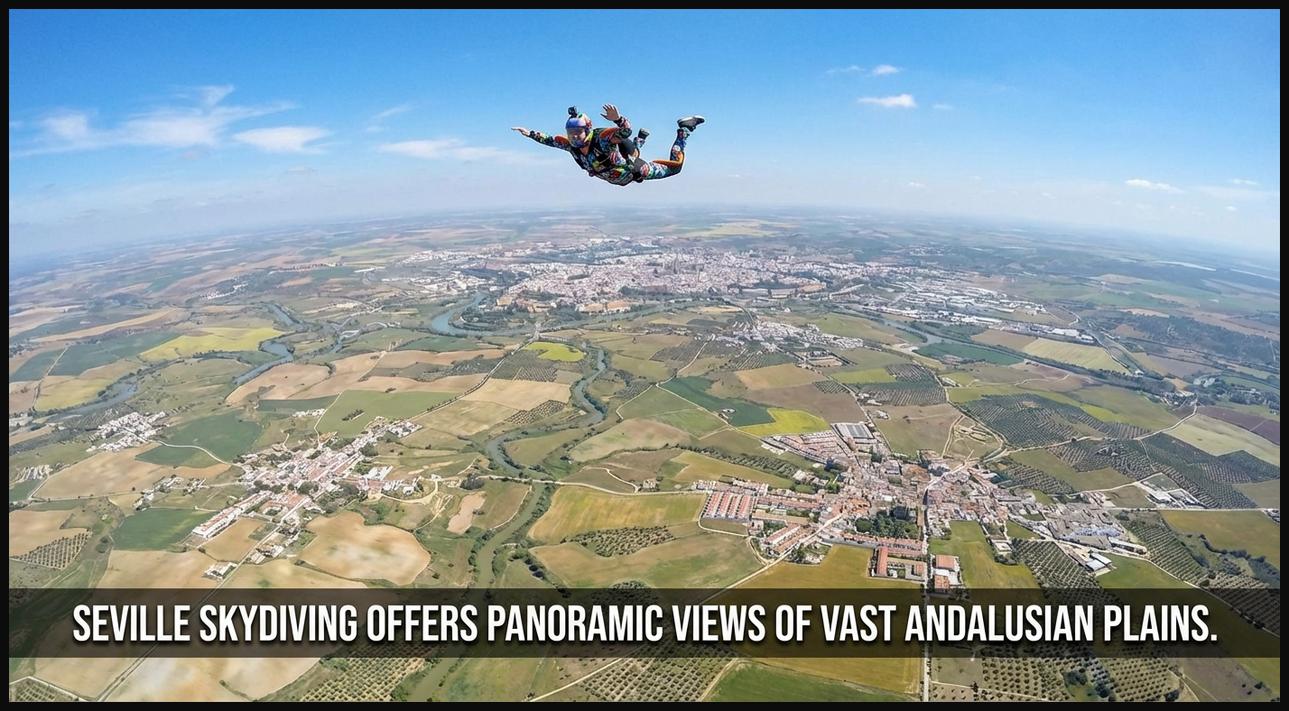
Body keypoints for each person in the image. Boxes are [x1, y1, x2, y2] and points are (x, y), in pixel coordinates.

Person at [512, 104, 704, 185]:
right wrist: (530, 134)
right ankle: (640, 141)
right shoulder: (572, 146)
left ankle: (684, 130)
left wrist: (618, 120)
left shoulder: (601, 138)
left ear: (587, 129)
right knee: (633, 151)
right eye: (571, 133)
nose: (575, 137)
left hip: (634, 171)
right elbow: (550, 140)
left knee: (675, 167)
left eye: (578, 132)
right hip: (619, 175)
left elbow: (624, 132)